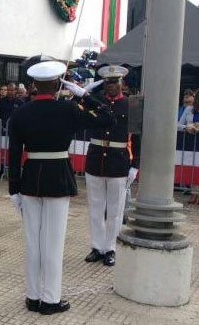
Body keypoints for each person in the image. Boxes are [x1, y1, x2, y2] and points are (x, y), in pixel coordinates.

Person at [8, 59, 113, 316]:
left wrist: (13, 188)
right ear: (57, 84)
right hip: (57, 179)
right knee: (53, 243)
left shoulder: (20, 112)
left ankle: (33, 296)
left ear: (33, 85)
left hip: (30, 179)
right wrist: (84, 94)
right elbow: (107, 119)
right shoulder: (68, 109)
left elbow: (12, 154)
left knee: (32, 241)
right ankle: (50, 299)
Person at [82, 66, 139, 267]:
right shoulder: (96, 102)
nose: (111, 86)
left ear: (122, 83)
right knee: (95, 208)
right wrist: (87, 90)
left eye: (115, 82)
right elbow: (80, 104)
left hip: (118, 162)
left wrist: (135, 165)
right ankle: (97, 247)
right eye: (107, 82)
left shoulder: (131, 105)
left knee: (115, 209)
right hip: (96, 160)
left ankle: (111, 248)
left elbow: (138, 137)